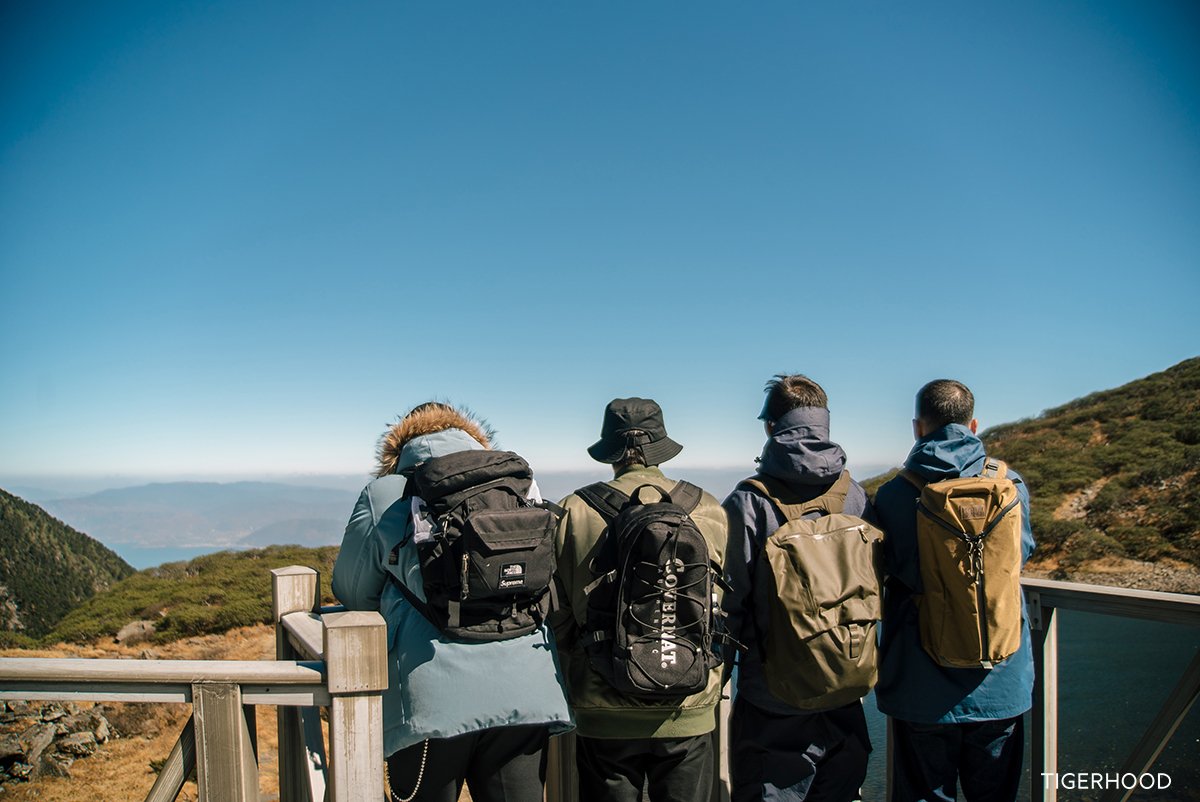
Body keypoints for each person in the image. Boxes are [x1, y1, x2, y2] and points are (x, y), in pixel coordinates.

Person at [331, 402, 573, 802]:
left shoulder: (386, 494)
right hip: (527, 691)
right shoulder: (518, 483)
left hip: (430, 699)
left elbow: (353, 591)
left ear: (398, 445)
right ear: (472, 436)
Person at [550, 397, 729, 802]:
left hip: (602, 704)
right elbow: (715, 602)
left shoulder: (573, 510)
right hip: (689, 701)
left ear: (611, 451)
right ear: (659, 447)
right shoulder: (709, 508)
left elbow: (558, 614)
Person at [873, 380, 1035, 802]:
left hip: (921, 682)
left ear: (917, 428)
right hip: (1000, 677)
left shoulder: (895, 493)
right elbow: (1021, 555)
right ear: (974, 424)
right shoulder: (1011, 484)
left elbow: (883, 568)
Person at [721, 374, 878, 802]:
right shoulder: (855, 497)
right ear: (824, 423)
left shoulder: (749, 502)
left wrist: (717, 674)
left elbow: (728, 601)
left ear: (771, 427)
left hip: (772, 699)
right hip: (846, 687)